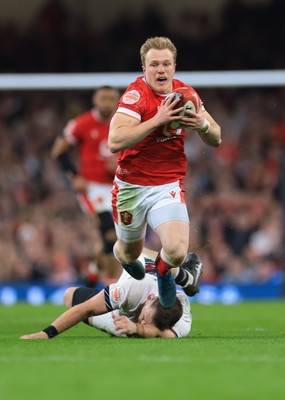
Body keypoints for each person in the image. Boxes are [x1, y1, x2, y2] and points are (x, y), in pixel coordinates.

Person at [108, 36, 221, 308]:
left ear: (174, 67)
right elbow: (114, 141)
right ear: (144, 68)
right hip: (131, 187)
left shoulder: (186, 94)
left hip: (167, 184)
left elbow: (216, 137)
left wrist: (202, 126)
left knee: (176, 250)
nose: (161, 70)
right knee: (129, 253)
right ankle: (124, 255)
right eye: (154, 64)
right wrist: (157, 120)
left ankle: (163, 272)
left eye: (166, 64)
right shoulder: (135, 96)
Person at [19, 249, 203, 340]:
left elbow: (163, 335)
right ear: (150, 299)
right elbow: (86, 308)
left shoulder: (182, 320)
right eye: (145, 318)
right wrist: (46, 333)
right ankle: (185, 276)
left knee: (128, 332)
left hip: (120, 316)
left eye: (147, 323)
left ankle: (182, 275)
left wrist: (137, 328)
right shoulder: (131, 289)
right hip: (136, 279)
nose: (143, 322)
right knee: (69, 296)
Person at [51, 86, 122, 286]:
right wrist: (74, 176)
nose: (107, 102)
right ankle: (112, 289)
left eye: (111, 98)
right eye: (103, 98)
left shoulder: (125, 124)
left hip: (118, 188)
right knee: (110, 236)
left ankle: (91, 276)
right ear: (95, 100)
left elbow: (137, 153)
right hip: (92, 189)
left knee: (118, 240)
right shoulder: (81, 124)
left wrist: (121, 163)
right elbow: (59, 151)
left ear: (117, 101)